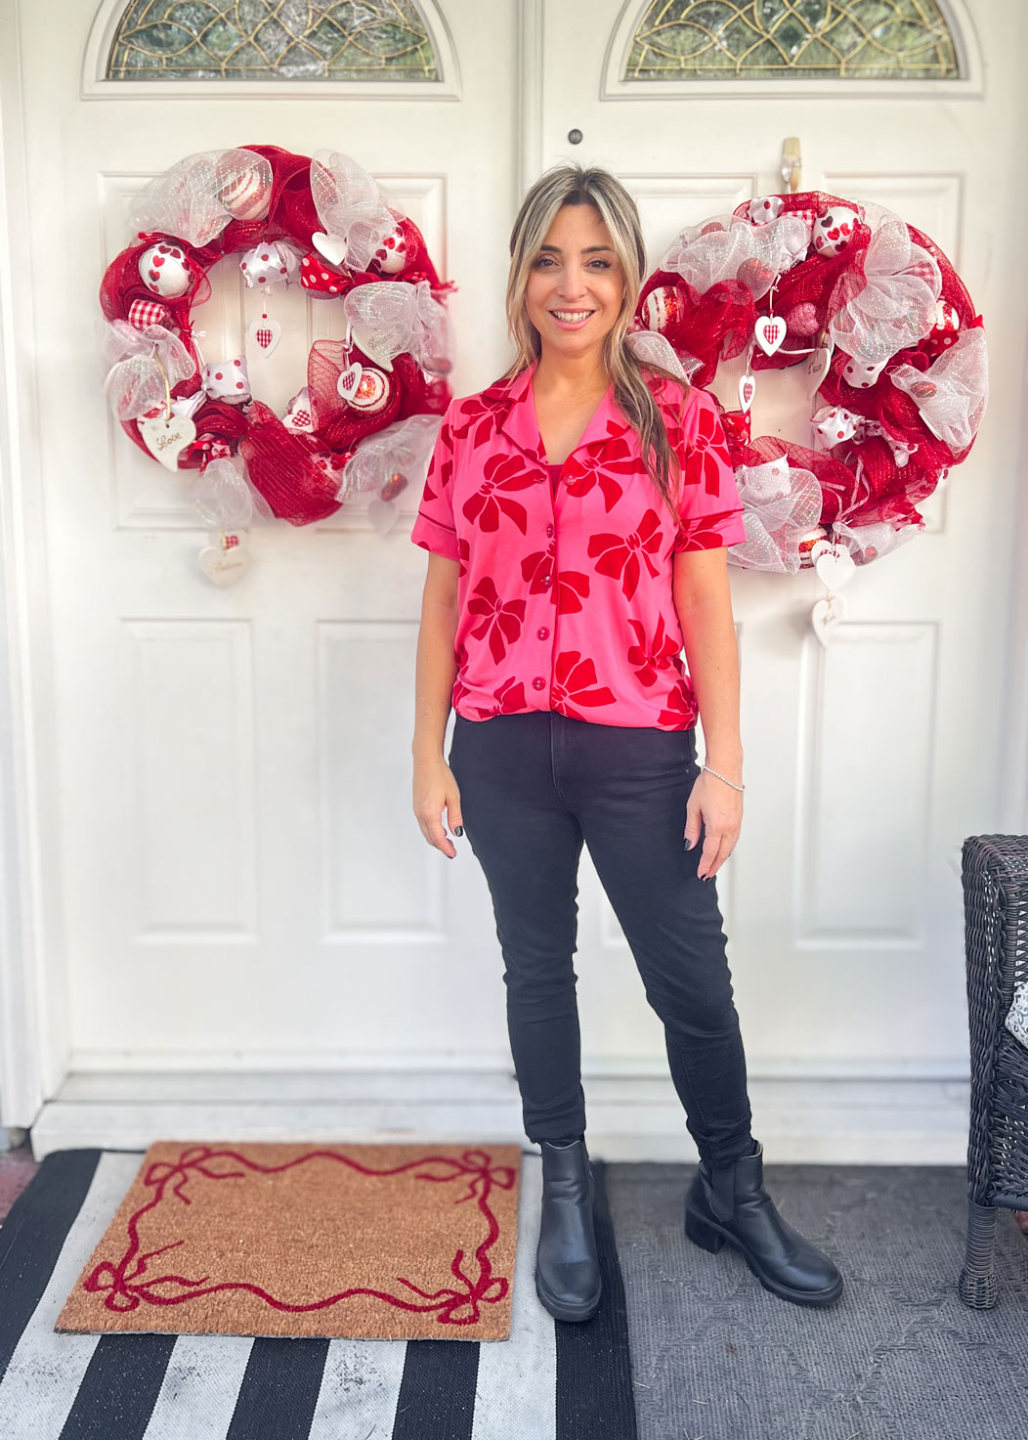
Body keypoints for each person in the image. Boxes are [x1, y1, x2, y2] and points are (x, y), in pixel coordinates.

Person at [410, 163, 843, 1321]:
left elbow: (705, 599)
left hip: (639, 748)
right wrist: (425, 751)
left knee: (689, 980)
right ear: (520, 276)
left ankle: (732, 1191)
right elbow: (443, 598)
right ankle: (562, 1188)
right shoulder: (471, 427)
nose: (572, 285)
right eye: (549, 260)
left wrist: (724, 764)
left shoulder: (677, 421)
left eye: (596, 261)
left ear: (627, 278)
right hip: (499, 745)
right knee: (536, 970)